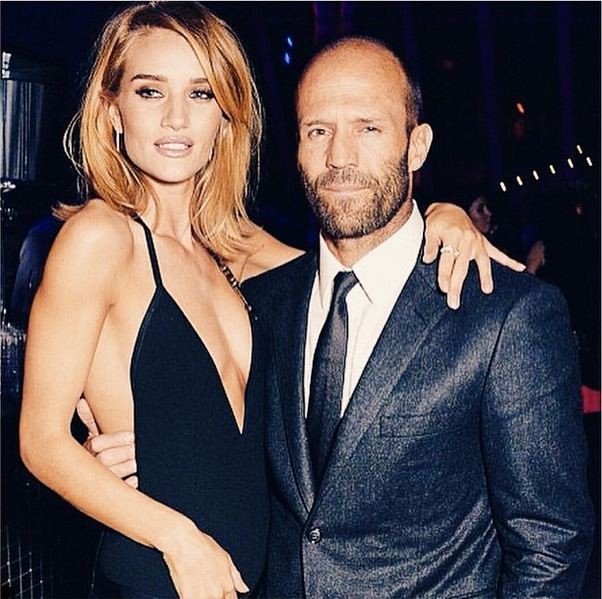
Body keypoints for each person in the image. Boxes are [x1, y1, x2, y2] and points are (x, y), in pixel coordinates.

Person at [18, 4, 517, 599]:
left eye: (200, 93)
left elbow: (361, 261)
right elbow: (40, 441)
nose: (176, 118)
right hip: (161, 578)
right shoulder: (99, 238)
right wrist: (179, 539)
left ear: (224, 116)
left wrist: (443, 216)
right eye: (150, 92)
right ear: (112, 111)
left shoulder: (231, 249)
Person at [239, 37, 592, 597]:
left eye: (368, 128)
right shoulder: (261, 304)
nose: (340, 157)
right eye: (318, 130)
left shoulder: (508, 315)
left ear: (417, 145)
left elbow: (550, 546)